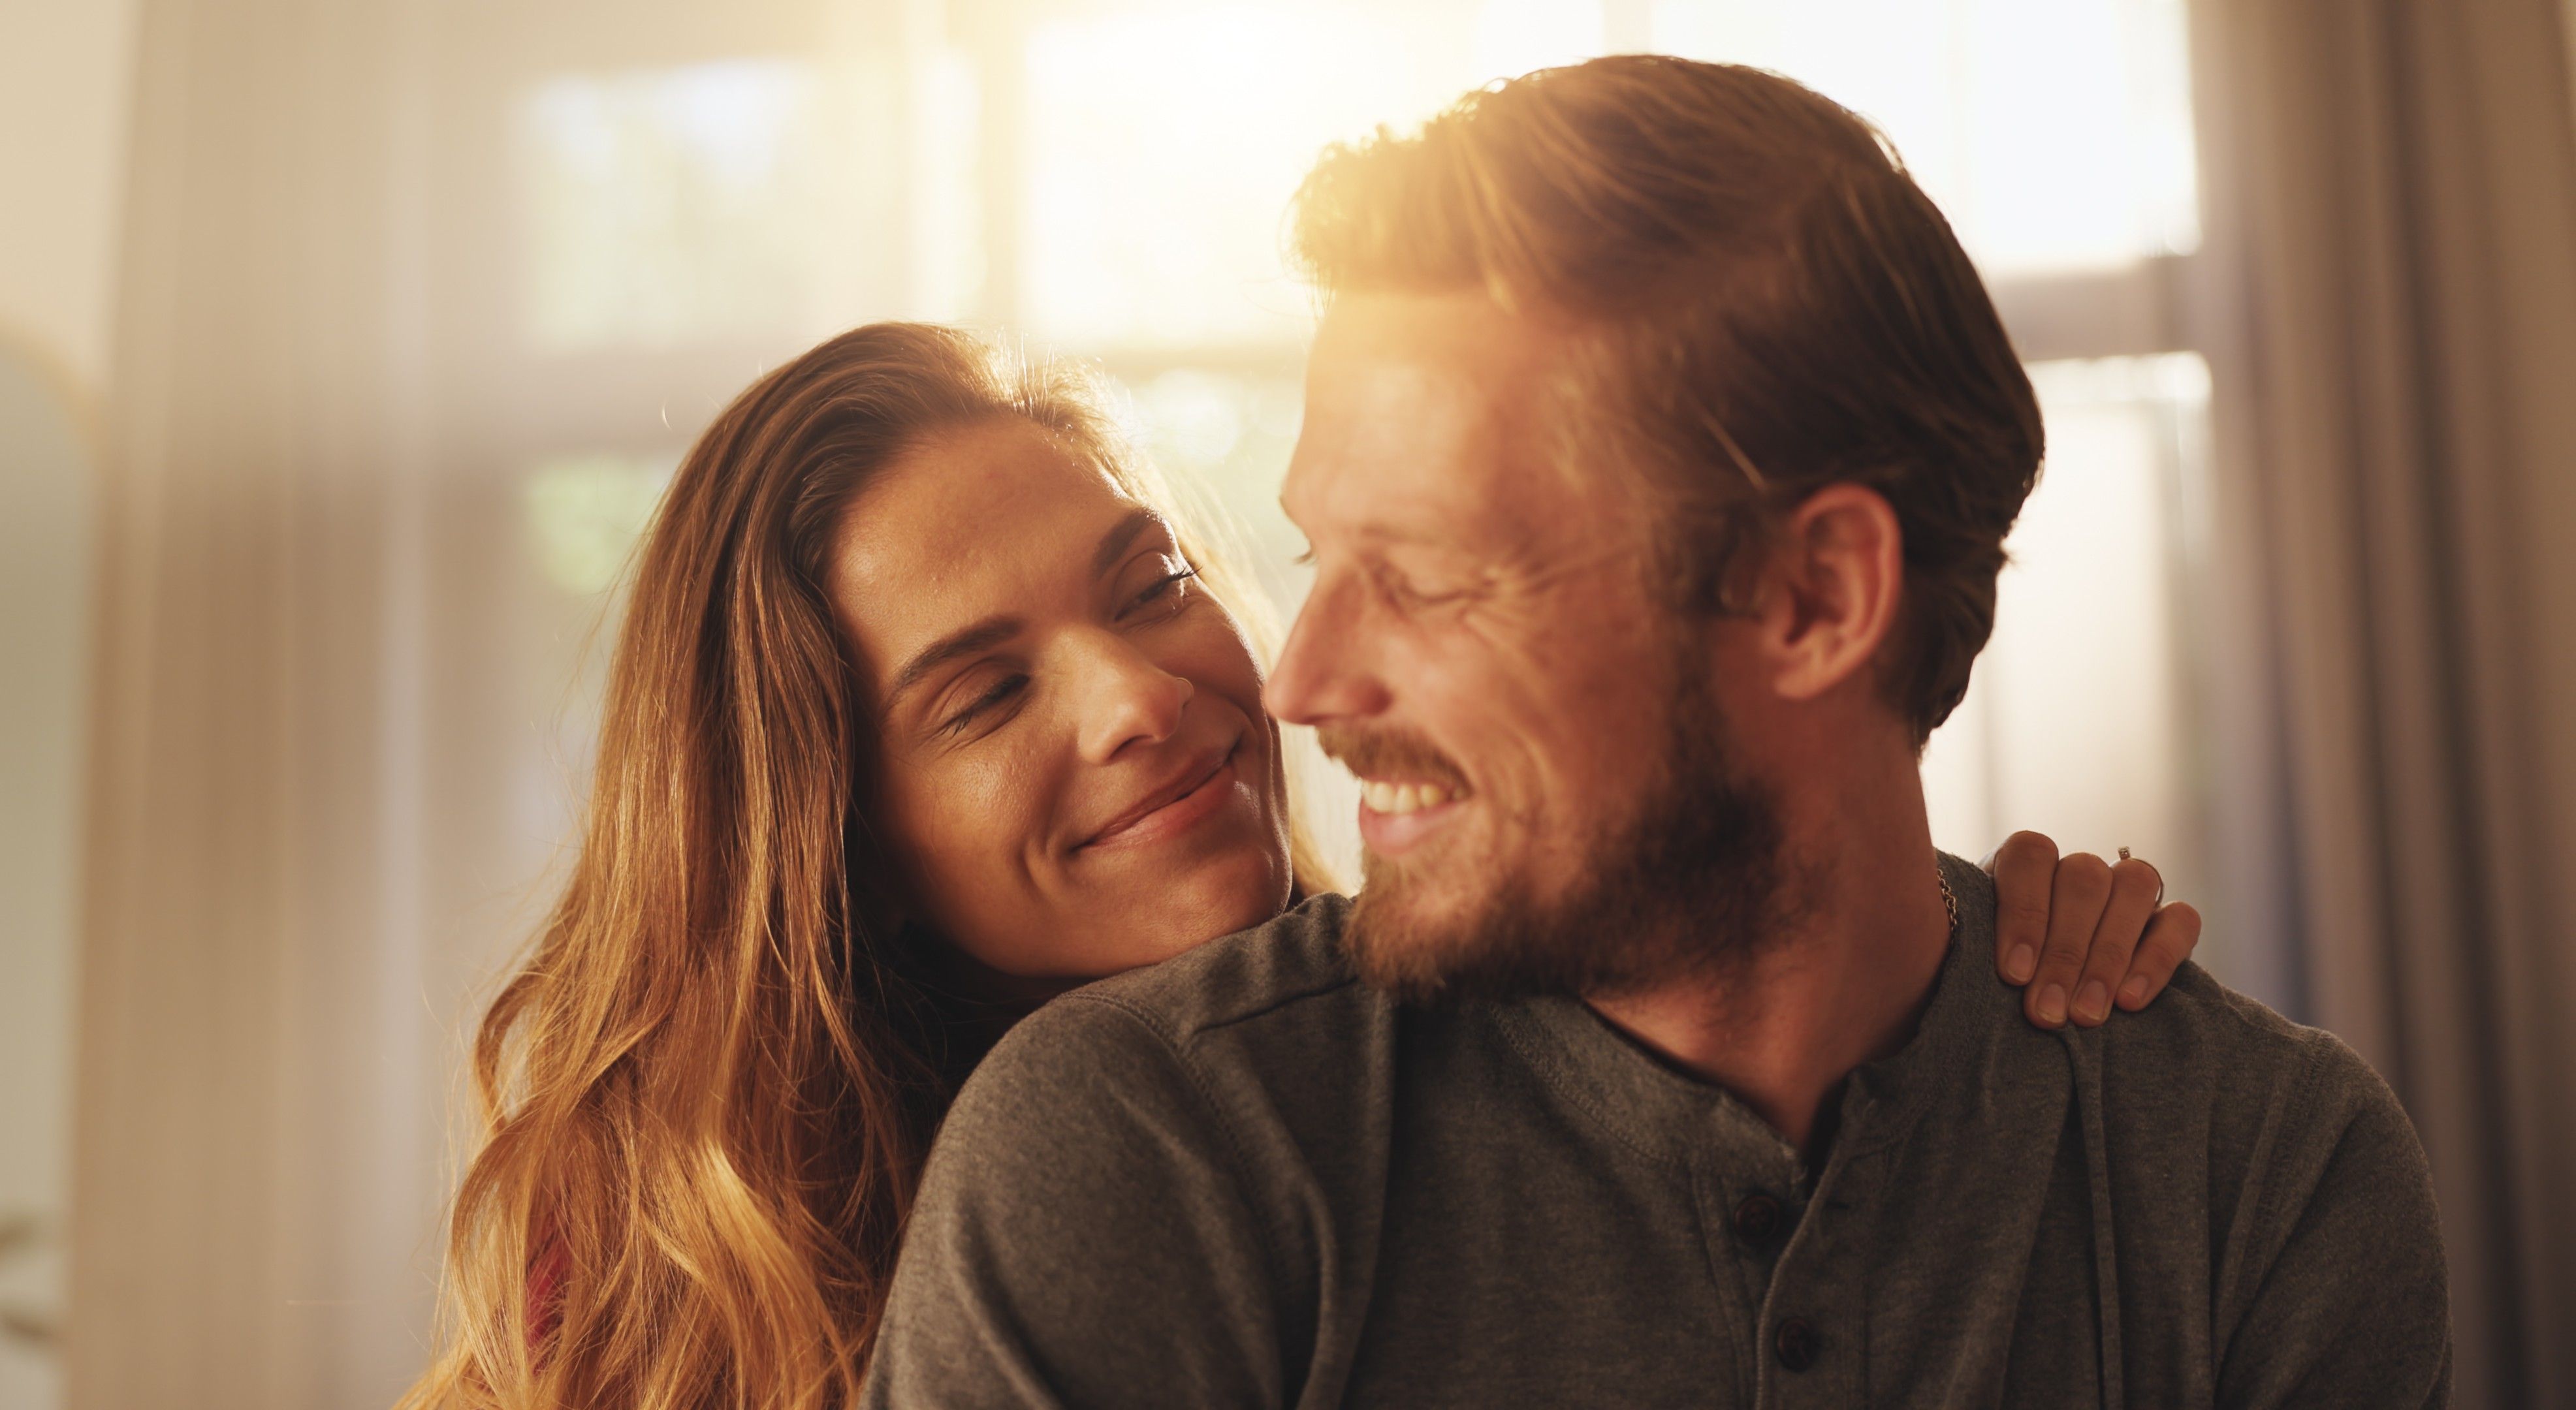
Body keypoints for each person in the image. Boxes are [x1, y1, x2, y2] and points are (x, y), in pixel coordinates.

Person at [859, 57, 2451, 1408]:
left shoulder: (2252, 1172)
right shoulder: (1144, 1155)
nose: (1293, 683)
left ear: (1814, 598)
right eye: (1310, 563)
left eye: (1417, 578)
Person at [399, 317, 2195, 1410]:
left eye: (1149, 586)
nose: (1143, 698)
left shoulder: (1495, 1035)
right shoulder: (665, 1267)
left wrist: (1961, 955)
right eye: (983, 692)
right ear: (831, 846)